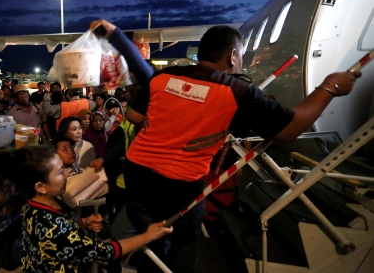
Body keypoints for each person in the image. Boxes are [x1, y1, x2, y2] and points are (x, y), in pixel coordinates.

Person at [90, 19, 360, 273]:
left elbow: (141, 86)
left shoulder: (166, 76)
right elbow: (289, 129)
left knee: (151, 238)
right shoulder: (237, 90)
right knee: (184, 239)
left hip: (137, 176)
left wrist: (115, 34)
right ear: (232, 56)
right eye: (240, 55)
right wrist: (330, 86)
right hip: (179, 186)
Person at [0, 144, 173, 273]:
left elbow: (62, 231)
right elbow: (106, 251)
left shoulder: (37, 203)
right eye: (60, 172)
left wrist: (82, 222)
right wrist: (148, 236)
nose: (66, 174)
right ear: (40, 186)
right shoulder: (53, 227)